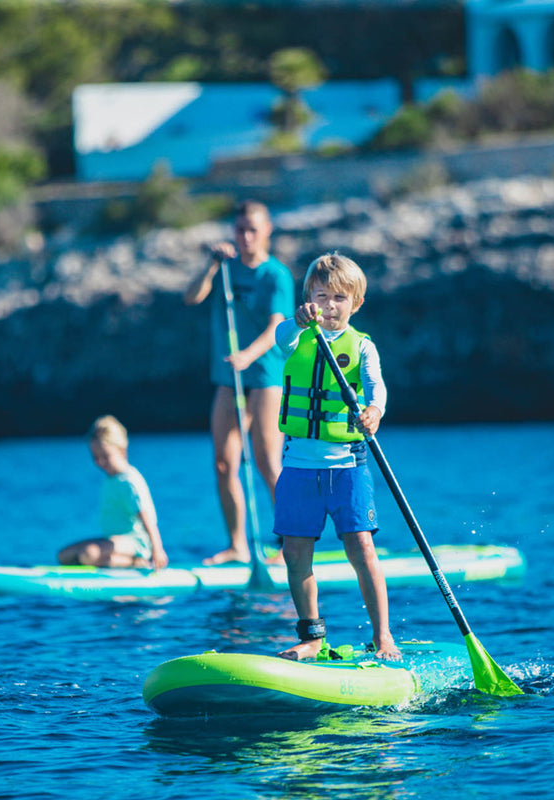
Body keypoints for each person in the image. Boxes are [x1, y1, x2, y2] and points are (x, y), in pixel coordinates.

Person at [273, 253, 401, 662]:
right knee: (295, 553)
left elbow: (376, 387)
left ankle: (383, 638)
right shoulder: (295, 335)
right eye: (321, 296)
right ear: (308, 298)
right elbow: (280, 337)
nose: (329, 306)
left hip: (347, 466)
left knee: (361, 547)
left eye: (339, 298)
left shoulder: (363, 345)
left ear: (355, 303)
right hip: (298, 468)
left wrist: (374, 412)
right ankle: (312, 636)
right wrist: (297, 319)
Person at [184, 200, 294, 565]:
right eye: (239, 229)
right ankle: (237, 545)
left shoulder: (275, 275)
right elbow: (191, 297)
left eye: (252, 229)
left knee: (266, 462)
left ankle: (291, 542)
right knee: (223, 463)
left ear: (267, 231)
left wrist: (248, 355)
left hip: (265, 376)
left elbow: (277, 326)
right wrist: (212, 265)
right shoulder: (226, 268)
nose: (245, 236)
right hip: (228, 378)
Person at [58, 415, 169, 570]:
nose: (100, 462)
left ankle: (137, 562)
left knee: (87, 555)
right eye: (95, 457)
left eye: (105, 456)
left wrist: (157, 550)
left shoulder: (129, 481)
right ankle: (107, 560)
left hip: (137, 543)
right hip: (115, 541)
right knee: (64, 556)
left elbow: (146, 518)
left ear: (121, 450)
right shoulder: (111, 478)